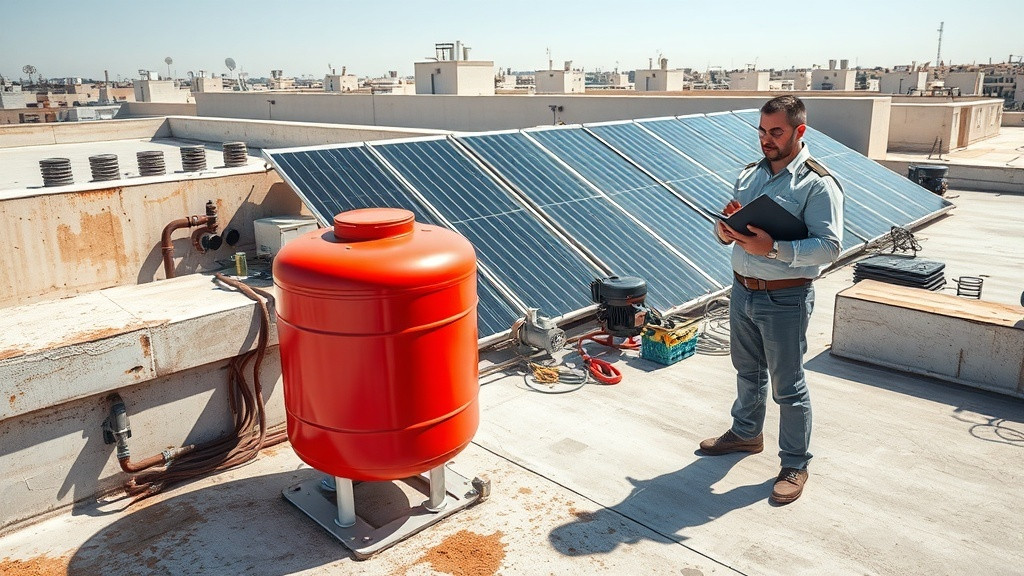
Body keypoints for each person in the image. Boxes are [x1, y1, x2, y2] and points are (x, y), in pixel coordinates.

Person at [699, 95, 844, 505]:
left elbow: (830, 247)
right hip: (742, 289)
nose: (766, 140)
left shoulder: (817, 183)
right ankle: (746, 434)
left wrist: (775, 248)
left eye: (776, 132)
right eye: (762, 131)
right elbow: (730, 230)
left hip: (786, 298)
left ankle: (795, 462)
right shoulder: (749, 176)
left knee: (788, 386)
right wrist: (725, 231)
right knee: (747, 371)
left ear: (800, 131)